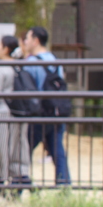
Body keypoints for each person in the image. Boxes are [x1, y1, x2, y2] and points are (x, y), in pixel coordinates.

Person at [22, 26, 70, 185]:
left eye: (27, 38)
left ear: (36, 41)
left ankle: (21, 180)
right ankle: (64, 184)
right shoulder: (55, 60)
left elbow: (26, 86)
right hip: (56, 112)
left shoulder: (31, 62)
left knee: (24, 148)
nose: (25, 42)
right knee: (58, 151)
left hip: (39, 113)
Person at [0, 35, 30, 191]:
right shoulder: (19, 65)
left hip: (2, 114)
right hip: (19, 112)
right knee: (17, 146)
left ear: (5, 49)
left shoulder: (1, 67)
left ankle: (1, 180)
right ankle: (19, 176)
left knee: (1, 148)